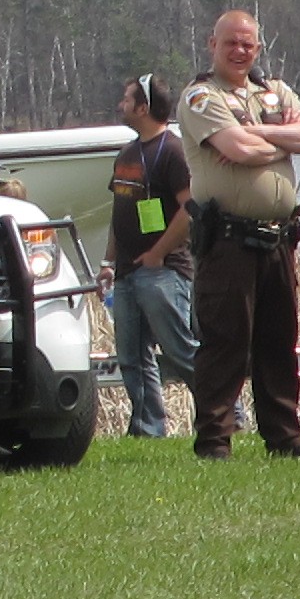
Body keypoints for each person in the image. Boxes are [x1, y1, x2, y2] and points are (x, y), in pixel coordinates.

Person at [176, 10, 300, 461]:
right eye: (230, 43)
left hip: (279, 239)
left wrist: (257, 133)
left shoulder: (274, 91)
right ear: (212, 44)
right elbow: (235, 148)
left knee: (279, 340)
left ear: (258, 48)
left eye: (247, 44)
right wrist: (279, 142)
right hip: (229, 240)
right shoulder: (201, 96)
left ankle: (285, 437)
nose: (239, 51)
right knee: (226, 341)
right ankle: (215, 440)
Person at [95, 74, 199, 438]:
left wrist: (158, 253)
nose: (120, 105)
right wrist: (108, 263)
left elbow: (190, 209)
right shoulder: (127, 153)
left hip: (163, 271)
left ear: (143, 108)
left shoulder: (172, 151)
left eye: (127, 100)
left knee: (180, 349)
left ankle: (224, 413)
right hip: (126, 273)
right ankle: (147, 428)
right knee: (132, 356)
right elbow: (119, 211)